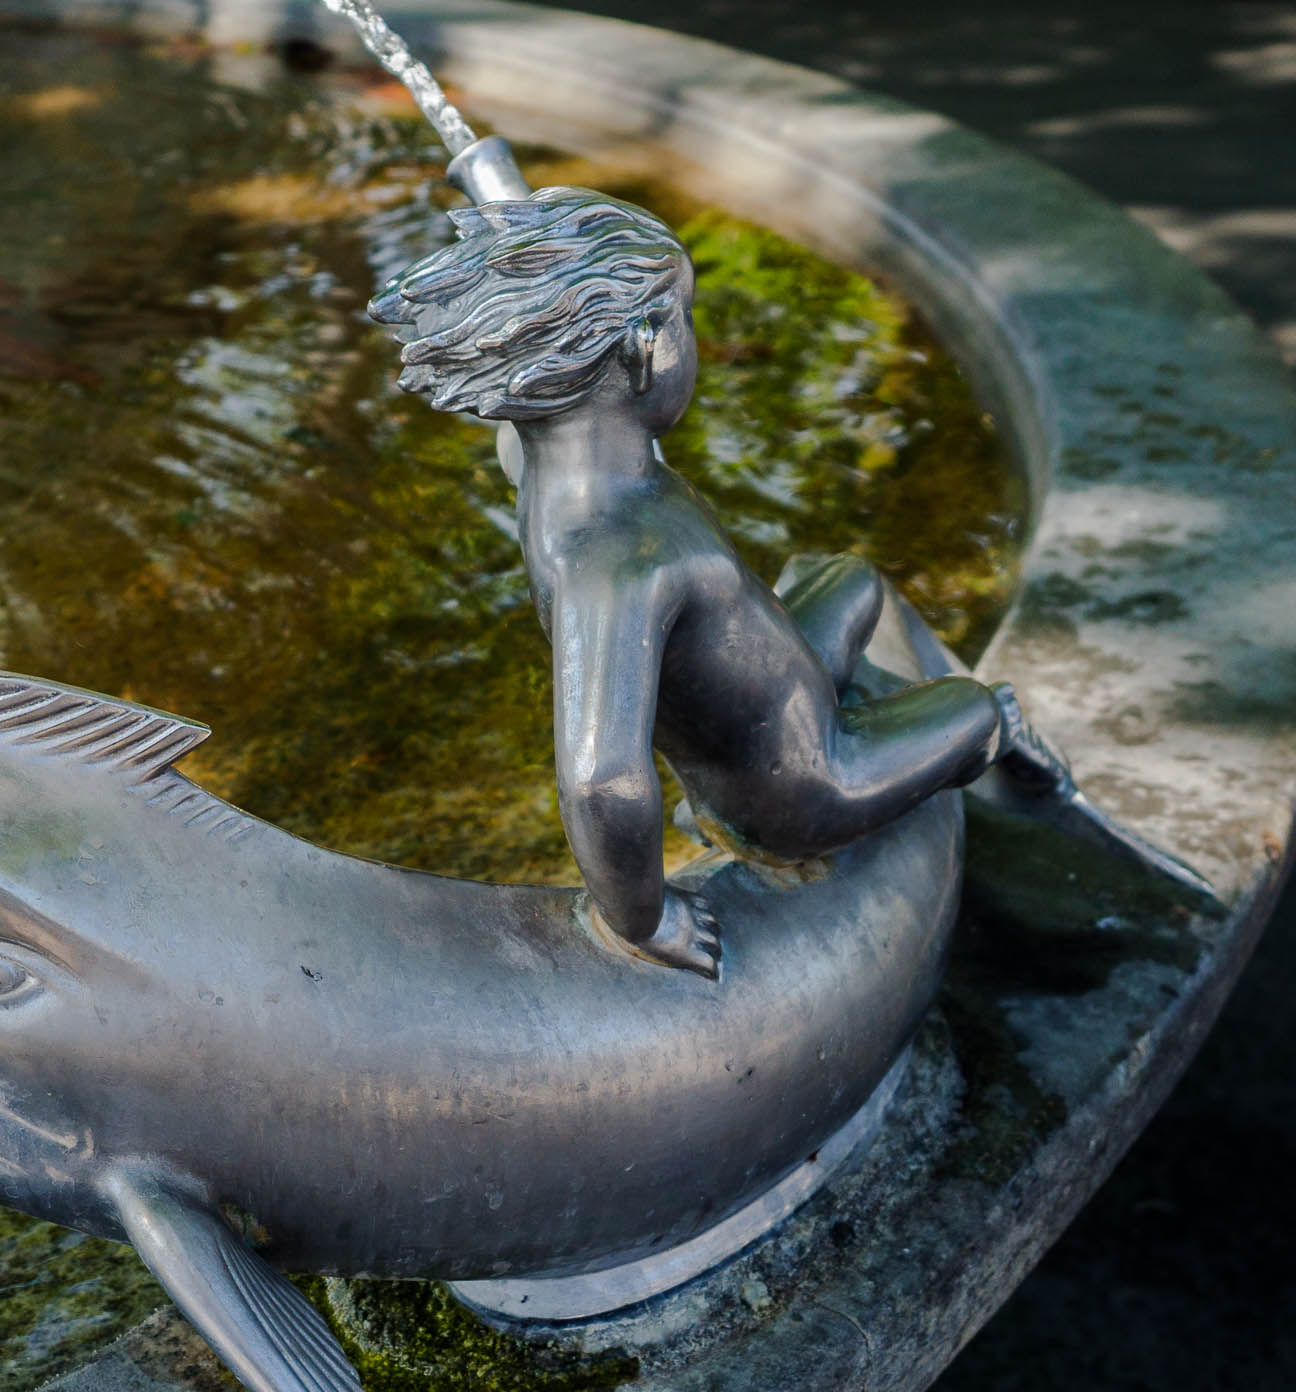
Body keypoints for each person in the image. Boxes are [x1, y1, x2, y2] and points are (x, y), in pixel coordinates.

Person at [371, 186, 1031, 977]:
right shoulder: (616, 565)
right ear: (649, 346)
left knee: (844, 578)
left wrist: (516, 227)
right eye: (686, 317)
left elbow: (547, 342)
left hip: (773, 700)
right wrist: (642, 918)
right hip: (800, 781)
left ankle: (880, 717)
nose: (693, 338)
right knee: (975, 709)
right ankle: (1007, 764)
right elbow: (602, 779)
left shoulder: (548, 465)